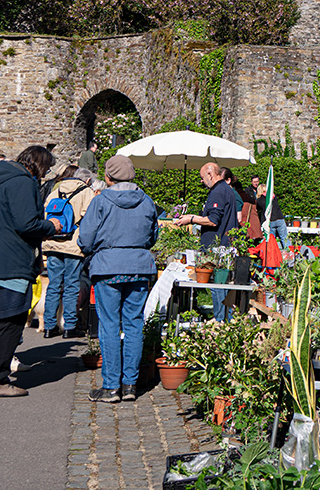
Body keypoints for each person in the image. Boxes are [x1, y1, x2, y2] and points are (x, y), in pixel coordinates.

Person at [0, 146, 61, 397]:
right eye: (45, 169)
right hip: (10, 261)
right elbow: (26, 223)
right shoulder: (22, 183)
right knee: (12, 321)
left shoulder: (0, 182)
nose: (44, 175)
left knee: (5, 320)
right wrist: (51, 225)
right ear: (38, 164)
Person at [78, 155, 159, 403]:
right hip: (139, 266)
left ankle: (112, 387)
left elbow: (86, 239)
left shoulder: (101, 201)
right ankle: (130, 385)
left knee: (109, 325)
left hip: (108, 267)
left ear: (108, 177)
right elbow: (153, 235)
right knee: (134, 324)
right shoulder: (147, 202)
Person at [174, 162, 238, 321]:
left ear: (210, 174)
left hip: (218, 248)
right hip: (226, 245)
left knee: (218, 288)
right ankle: (226, 322)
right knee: (223, 287)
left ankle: (221, 323)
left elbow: (213, 220)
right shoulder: (228, 190)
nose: (201, 181)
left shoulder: (218, 192)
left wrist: (191, 219)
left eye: (202, 177)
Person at [41, 166, 96, 338]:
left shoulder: (56, 189)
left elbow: (45, 212)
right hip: (73, 245)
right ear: (87, 180)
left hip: (52, 242)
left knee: (54, 285)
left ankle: (50, 327)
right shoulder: (87, 192)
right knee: (72, 285)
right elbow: (90, 220)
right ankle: (70, 326)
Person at [256, 183, 288, 249]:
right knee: (284, 238)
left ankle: (274, 254)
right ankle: (289, 254)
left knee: (272, 240)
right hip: (279, 218)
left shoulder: (260, 200)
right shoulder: (273, 196)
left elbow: (259, 209)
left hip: (270, 220)